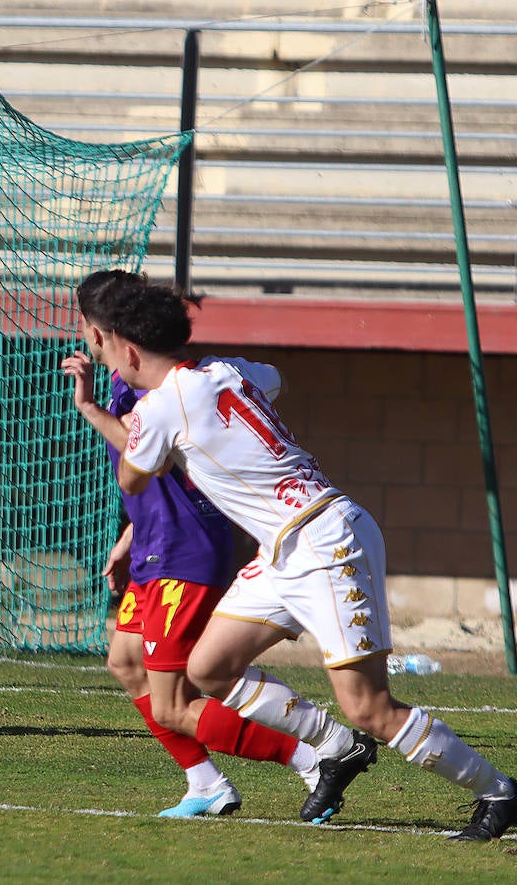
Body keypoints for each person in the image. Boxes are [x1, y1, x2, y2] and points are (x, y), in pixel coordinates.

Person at [94, 276, 517, 841]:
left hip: (323, 542)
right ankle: (333, 748)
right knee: (208, 669)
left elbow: (133, 475)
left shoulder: (157, 409)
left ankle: (498, 791)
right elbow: (277, 378)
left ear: (128, 350)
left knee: (369, 706)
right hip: (284, 546)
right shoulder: (227, 369)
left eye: (103, 344)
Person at [62, 269, 319, 817]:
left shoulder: (153, 379)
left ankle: (311, 756)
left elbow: (143, 456)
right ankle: (205, 783)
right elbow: (162, 470)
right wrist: (132, 532)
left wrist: (92, 412)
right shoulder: (123, 375)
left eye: (86, 324)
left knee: (177, 696)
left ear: (101, 329)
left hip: (186, 546)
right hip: (156, 539)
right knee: (126, 660)